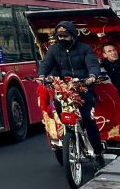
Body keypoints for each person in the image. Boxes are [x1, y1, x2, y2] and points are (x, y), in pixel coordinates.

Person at [39, 20, 104, 166]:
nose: (62, 39)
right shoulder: (54, 49)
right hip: (63, 89)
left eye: (65, 36)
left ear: (73, 35)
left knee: (88, 119)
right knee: (60, 115)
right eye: (59, 36)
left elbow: (93, 64)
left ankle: (98, 153)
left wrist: (92, 76)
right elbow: (46, 63)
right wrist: (42, 75)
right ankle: (70, 140)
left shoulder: (85, 48)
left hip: (82, 87)